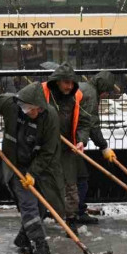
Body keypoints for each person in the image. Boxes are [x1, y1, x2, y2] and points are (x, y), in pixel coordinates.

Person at [0, 94, 66, 254]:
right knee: (28, 204)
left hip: (39, 164)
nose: (31, 112)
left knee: (41, 206)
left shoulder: (50, 117)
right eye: (28, 109)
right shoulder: (10, 104)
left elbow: (48, 151)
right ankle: (40, 244)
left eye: (35, 109)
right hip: (15, 163)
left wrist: (33, 173)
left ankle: (23, 238)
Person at [17, 63, 91, 234]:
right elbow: (27, 113)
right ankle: (37, 219)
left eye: (72, 83)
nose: (69, 86)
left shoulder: (77, 97)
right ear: (57, 81)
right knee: (42, 182)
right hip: (43, 146)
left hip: (67, 148)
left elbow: (84, 122)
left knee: (70, 184)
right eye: (66, 82)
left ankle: (71, 219)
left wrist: (81, 140)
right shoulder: (41, 93)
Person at [75, 71, 118, 224]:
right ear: (102, 87)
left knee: (69, 178)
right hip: (73, 141)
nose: (106, 95)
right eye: (107, 91)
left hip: (71, 137)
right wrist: (104, 146)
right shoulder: (91, 95)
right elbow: (91, 124)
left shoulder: (84, 87)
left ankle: (63, 210)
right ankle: (77, 212)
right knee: (81, 178)